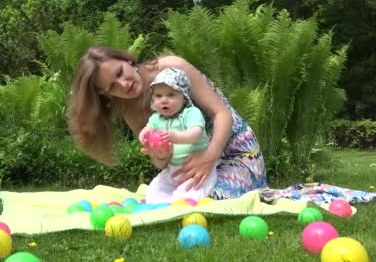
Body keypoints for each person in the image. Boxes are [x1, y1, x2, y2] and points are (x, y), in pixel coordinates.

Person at [67, 46, 267, 199]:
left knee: (211, 199)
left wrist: (208, 156)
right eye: (112, 86)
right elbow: (163, 163)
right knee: (175, 199)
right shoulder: (129, 111)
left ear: (127, 59)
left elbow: (222, 114)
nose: (123, 84)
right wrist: (161, 156)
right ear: (106, 94)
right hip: (194, 168)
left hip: (237, 154)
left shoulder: (172, 68)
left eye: (120, 72)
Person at [138, 67, 217, 204]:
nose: (164, 100)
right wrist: (144, 138)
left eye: (171, 95)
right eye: (158, 96)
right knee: (156, 187)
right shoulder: (157, 118)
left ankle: (178, 203)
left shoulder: (190, 113)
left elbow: (196, 133)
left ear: (184, 98)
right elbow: (146, 130)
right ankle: (156, 202)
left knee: (189, 193)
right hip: (172, 169)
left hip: (197, 168)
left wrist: (176, 137)